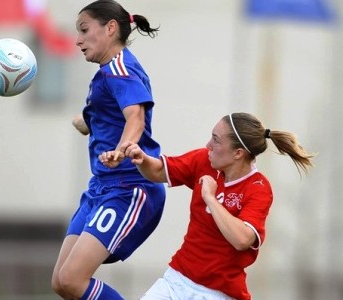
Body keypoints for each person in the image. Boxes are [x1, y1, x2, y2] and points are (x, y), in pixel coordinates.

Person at [101, 112, 315, 300]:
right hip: (176, 280)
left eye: (216, 140)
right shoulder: (204, 160)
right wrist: (142, 159)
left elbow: (242, 240)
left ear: (238, 153)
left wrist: (211, 199)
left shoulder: (258, 188)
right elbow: (158, 171)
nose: (208, 145)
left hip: (218, 293)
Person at [51, 1, 165, 299]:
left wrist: (122, 148)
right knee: (62, 282)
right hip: (100, 188)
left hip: (129, 188)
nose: (78, 40)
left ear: (110, 28)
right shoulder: (107, 72)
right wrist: (87, 122)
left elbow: (135, 117)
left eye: (84, 30)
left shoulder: (119, 69)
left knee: (74, 279)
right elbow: (113, 115)